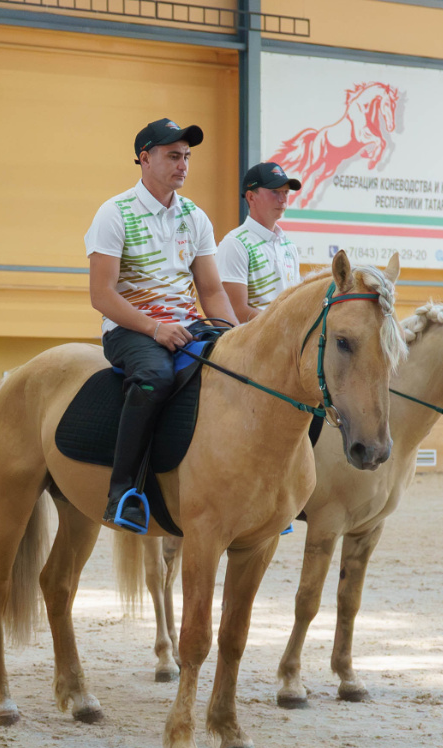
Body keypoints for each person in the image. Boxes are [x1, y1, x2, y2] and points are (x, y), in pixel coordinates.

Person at [85, 118, 237, 531]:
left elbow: (212, 290)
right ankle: (124, 494)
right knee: (154, 378)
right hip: (130, 330)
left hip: (188, 324)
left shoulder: (195, 217)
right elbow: (102, 296)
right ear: (144, 158)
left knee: (240, 370)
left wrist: (237, 335)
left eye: (186, 156)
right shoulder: (113, 213)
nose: (183, 164)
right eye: (173, 155)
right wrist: (155, 329)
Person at [217, 162, 304, 322]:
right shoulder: (235, 244)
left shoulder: (289, 246)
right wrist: (283, 327)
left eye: (285, 192)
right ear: (251, 197)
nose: (283, 199)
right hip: (252, 343)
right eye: (275, 192)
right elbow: (236, 311)